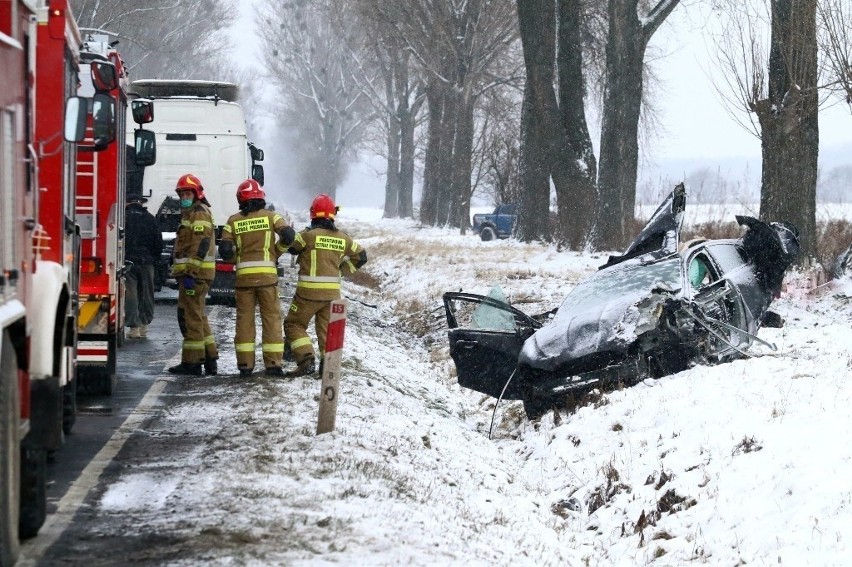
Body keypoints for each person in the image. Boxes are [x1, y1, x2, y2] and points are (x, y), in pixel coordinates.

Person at [284, 194, 367, 377]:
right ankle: (327, 367)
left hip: (307, 294)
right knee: (326, 331)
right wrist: (341, 270)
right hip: (331, 295)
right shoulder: (343, 238)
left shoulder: (308, 236)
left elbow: (291, 247)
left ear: (313, 214)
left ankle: (306, 359)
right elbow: (361, 256)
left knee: (293, 325)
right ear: (332, 215)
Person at [219, 179, 295, 377]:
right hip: (267, 280)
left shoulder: (233, 221)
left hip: (244, 281)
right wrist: (275, 253)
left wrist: (238, 258)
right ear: (261, 198)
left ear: (240, 199)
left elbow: (225, 251)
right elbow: (288, 236)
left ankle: (245, 364)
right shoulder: (272, 217)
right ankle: (273, 365)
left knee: (244, 321)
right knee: (271, 319)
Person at [167, 174, 219, 376]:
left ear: (197, 194)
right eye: (182, 194)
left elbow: (200, 244)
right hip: (194, 274)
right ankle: (209, 358)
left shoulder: (199, 214)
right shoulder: (192, 213)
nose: (184, 197)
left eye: (187, 193)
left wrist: (190, 272)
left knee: (191, 318)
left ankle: (193, 362)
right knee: (198, 315)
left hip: (195, 275)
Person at [125, 193, 163, 338]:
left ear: (127, 203)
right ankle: (144, 325)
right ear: (141, 203)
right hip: (147, 261)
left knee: (131, 293)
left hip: (129, 261)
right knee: (147, 292)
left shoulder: (124, 217)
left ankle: (133, 328)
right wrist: (154, 258)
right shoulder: (150, 219)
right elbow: (158, 242)